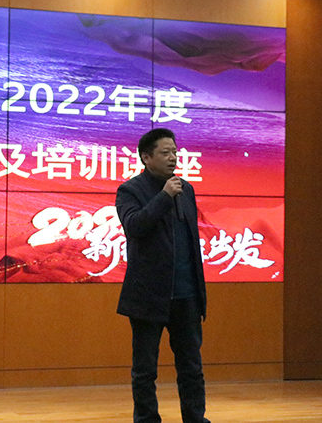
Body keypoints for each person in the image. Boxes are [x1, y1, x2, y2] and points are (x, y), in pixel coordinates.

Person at [115, 128, 209, 423]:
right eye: (165, 153)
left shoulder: (186, 189)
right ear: (146, 157)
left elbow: (190, 241)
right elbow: (135, 226)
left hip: (186, 294)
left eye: (175, 152)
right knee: (145, 370)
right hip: (148, 295)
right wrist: (164, 196)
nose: (173, 158)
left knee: (191, 367)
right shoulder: (130, 191)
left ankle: (195, 419)